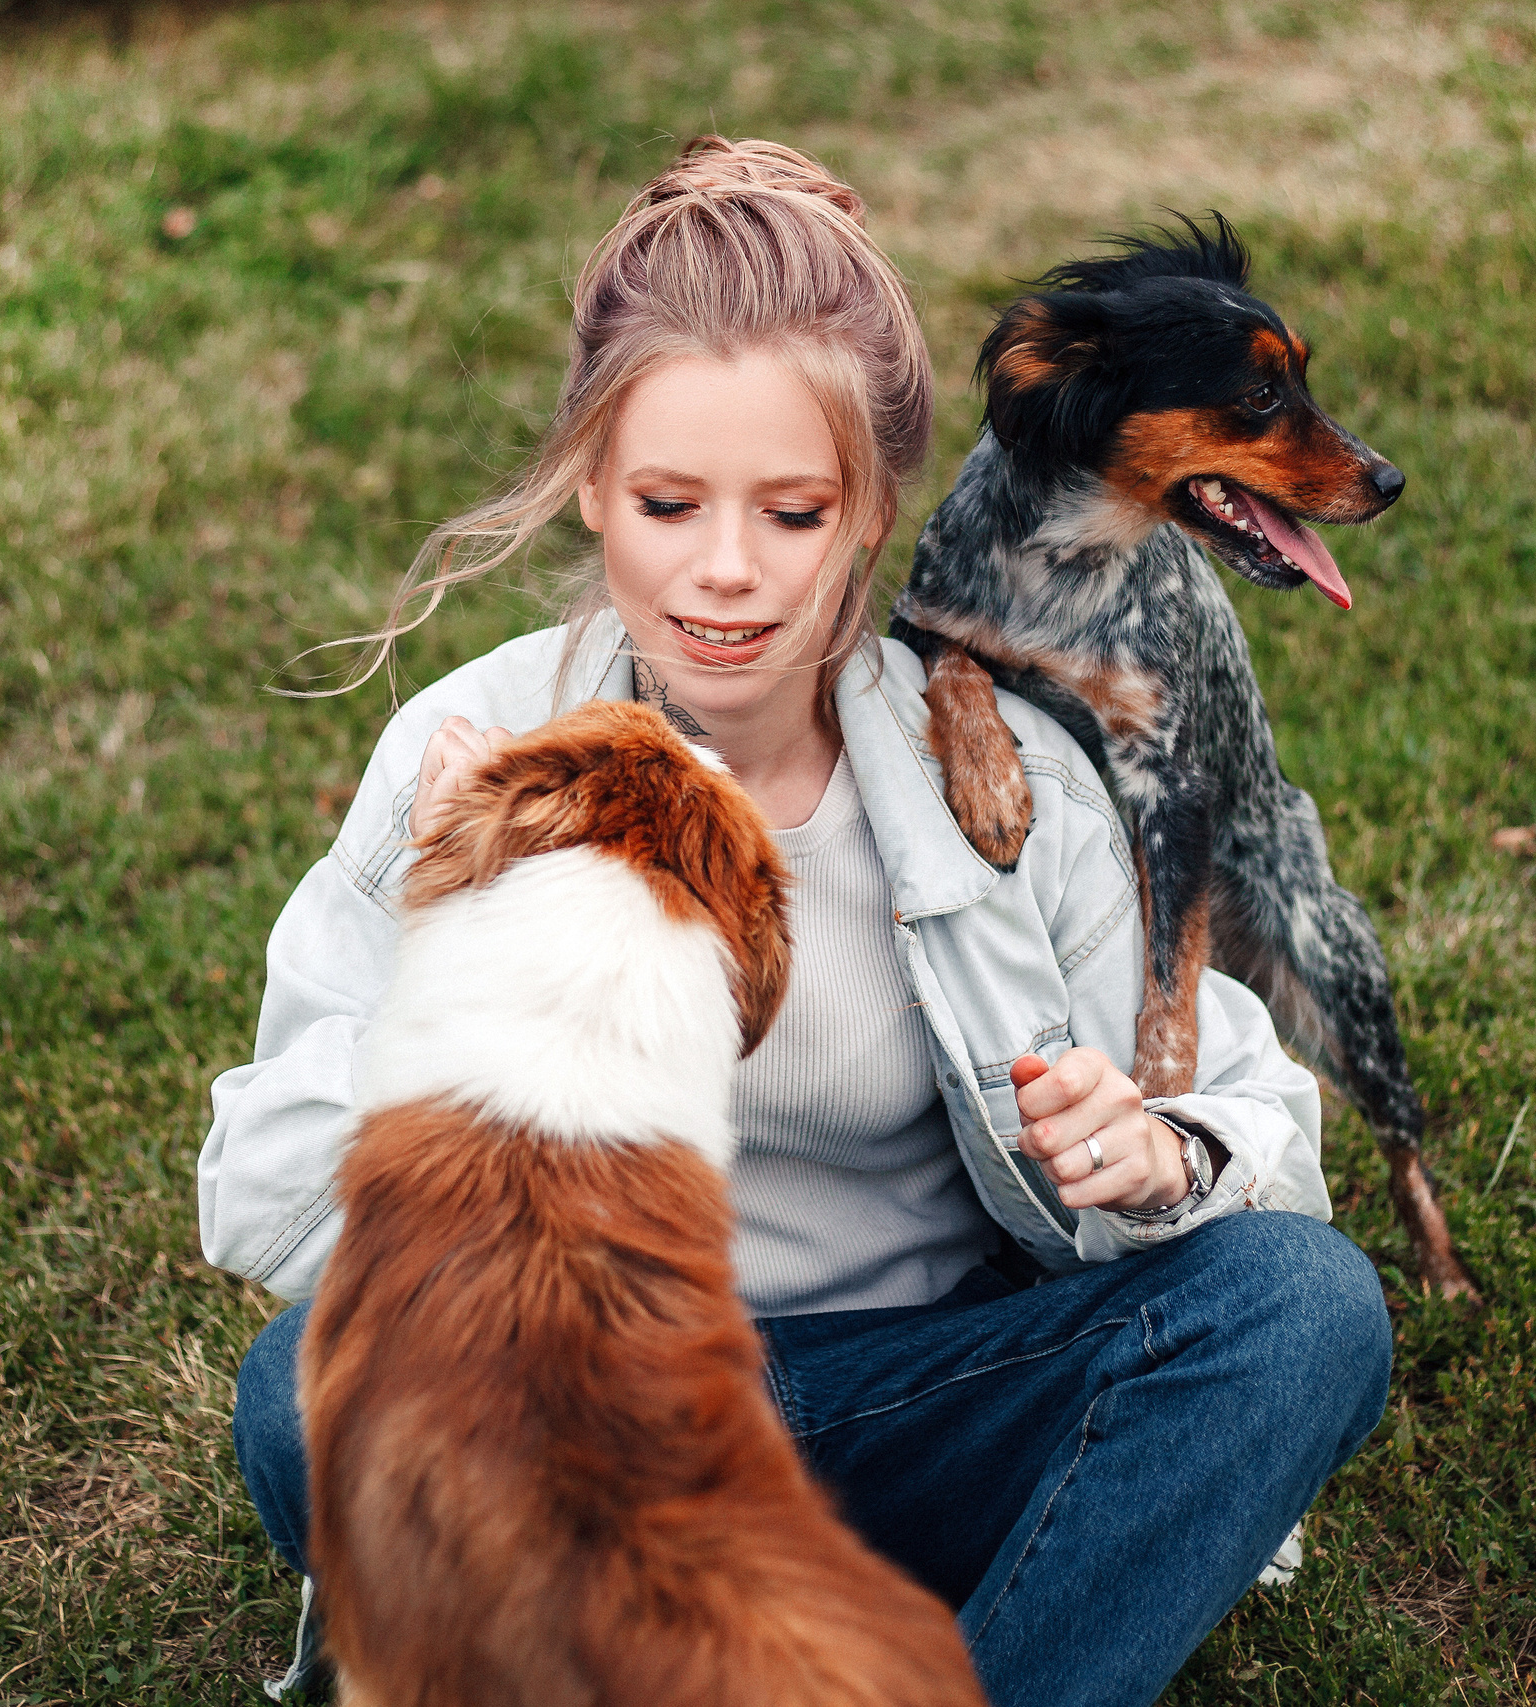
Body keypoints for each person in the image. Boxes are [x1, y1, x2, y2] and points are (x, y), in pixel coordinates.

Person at [199, 136, 1391, 1707]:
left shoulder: (1009, 783)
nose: (726, 574)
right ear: (591, 486)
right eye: (667, 502)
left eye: (793, 512)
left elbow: (1257, 1121)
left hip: (932, 1406)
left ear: (872, 511)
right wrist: (464, 946)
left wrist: (1157, 1153)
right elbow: (261, 1194)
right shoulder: (478, 756)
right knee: (300, 1395)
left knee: (1302, 1312)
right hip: (588, 1429)